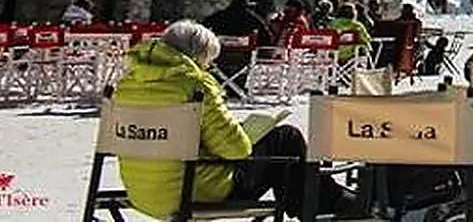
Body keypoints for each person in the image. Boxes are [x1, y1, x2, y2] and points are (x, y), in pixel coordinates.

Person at [114, 20, 358, 219]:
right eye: (208, 62)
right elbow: (235, 149)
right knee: (286, 138)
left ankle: (317, 201)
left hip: (141, 191)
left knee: (280, 153)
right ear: (197, 56)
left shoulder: (127, 84)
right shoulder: (195, 84)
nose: (209, 68)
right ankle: (321, 203)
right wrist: (243, 132)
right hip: (193, 191)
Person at [204, 0, 273, 43]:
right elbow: (267, 37)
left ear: (232, 0)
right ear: (246, 2)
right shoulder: (252, 18)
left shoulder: (220, 15)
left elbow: (205, 25)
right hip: (244, 52)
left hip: (222, 49)